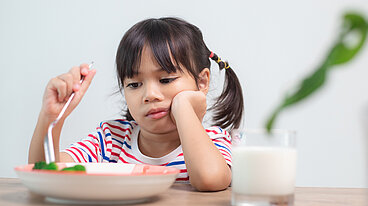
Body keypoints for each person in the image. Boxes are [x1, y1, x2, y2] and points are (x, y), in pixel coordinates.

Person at [28, 17, 244, 191]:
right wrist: (51, 118)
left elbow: (210, 180)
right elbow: (47, 172)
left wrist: (184, 108)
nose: (149, 94)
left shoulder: (214, 140)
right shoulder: (111, 139)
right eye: (134, 84)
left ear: (202, 81)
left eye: (166, 80)